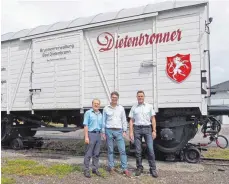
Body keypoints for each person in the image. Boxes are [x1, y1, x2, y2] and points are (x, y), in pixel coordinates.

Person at [129, 90, 158, 178]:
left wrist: (154, 130)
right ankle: (139, 168)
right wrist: (130, 132)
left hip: (147, 129)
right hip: (137, 129)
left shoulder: (149, 106)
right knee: (138, 150)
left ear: (144, 97)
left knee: (150, 149)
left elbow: (153, 119)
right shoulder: (134, 107)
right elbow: (131, 120)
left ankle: (153, 169)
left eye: (141, 96)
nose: (140, 97)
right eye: (139, 96)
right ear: (137, 97)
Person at [102, 91, 131, 177]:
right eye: (113, 97)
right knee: (110, 150)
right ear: (111, 98)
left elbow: (123, 120)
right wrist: (103, 132)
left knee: (122, 150)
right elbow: (104, 121)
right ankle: (111, 167)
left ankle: (124, 168)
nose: (114, 99)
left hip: (119, 131)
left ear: (117, 98)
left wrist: (125, 131)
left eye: (116, 97)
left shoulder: (121, 108)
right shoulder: (106, 108)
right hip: (109, 130)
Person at [83, 99, 103, 178]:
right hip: (91, 134)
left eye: (98, 104)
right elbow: (85, 125)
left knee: (96, 153)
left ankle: (95, 169)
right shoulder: (88, 113)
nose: (96, 105)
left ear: (99, 105)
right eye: (95, 103)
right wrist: (86, 137)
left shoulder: (100, 114)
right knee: (88, 153)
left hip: (98, 135)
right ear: (92, 104)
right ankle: (86, 170)